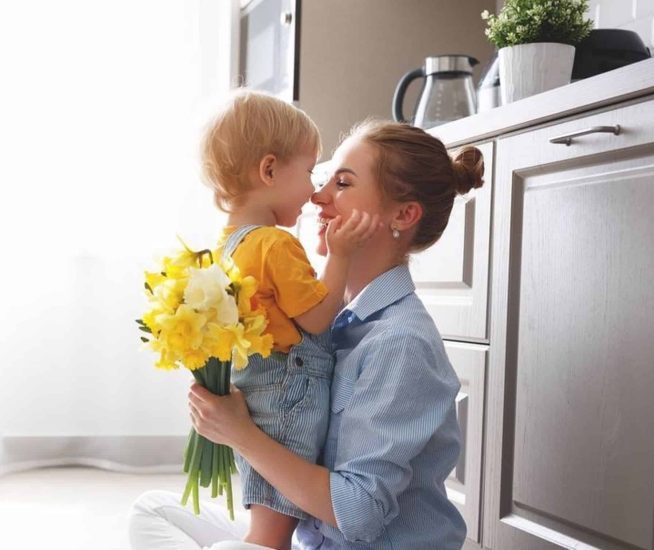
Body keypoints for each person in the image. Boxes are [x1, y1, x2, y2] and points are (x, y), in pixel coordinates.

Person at [128, 118, 484, 549]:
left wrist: (240, 432)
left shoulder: (400, 342)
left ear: (403, 215)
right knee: (153, 511)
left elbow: (357, 514)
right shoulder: (329, 320)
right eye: (324, 180)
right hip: (312, 541)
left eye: (343, 183)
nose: (317, 197)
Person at [131, 89, 380, 550]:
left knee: (261, 513)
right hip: (290, 395)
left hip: (253, 392)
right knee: (270, 536)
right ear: (268, 170)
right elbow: (319, 319)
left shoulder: (224, 247)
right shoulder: (274, 244)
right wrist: (341, 256)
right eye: (309, 172)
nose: (313, 190)